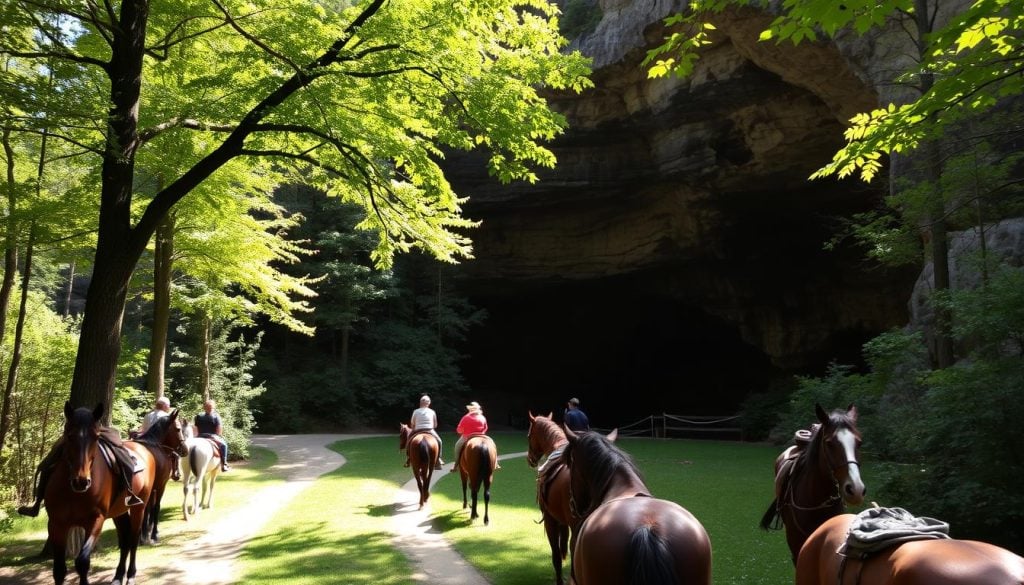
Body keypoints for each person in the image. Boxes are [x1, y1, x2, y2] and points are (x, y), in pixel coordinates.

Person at [18, 411, 144, 517]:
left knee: (124, 459)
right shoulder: (73, 419)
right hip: (74, 433)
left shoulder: (95, 420)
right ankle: (37, 503)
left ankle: (128, 493)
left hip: (95, 432)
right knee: (47, 463)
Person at [140, 396, 181, 480]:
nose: (169, 408)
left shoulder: (148, 415)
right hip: (160, 443)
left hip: (145, 442)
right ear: (165, 406)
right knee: (175, 454)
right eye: (168, 406)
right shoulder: (167, 417)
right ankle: (175, 472)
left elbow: (143, 430)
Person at [451, 401, 494, 472]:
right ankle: (495, 463)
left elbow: (459, 430)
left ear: (470, 409)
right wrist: (481, 432)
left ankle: (456, 465)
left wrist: (462, 432)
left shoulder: (465, 417)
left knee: (457, 446)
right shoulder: (482, 417)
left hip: (467, 437)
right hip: (481, 436)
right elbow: (485, 428)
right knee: (492, 444)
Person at [406, 395, 444, 469]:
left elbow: (412, 423)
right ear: (429, 403)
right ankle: (438, 459)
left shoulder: (415, 411)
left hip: (417, 430)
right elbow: (435, 425)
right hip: (429, 430)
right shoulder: (432, 412)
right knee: (439, 441)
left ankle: (408, 459)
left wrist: (414, 428)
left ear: (420, 403)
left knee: (408, 442)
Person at [195, 399, 230, 472]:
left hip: (200, 436)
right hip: (212, 436)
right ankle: (224, 464)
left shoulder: (198, 416)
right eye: (209, 407)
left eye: (210, 407)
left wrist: (196, 436)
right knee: (224, 445)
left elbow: (196, 428)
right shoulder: (216, 416)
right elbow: (219, 428)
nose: (210, 408)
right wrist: (219, 435)